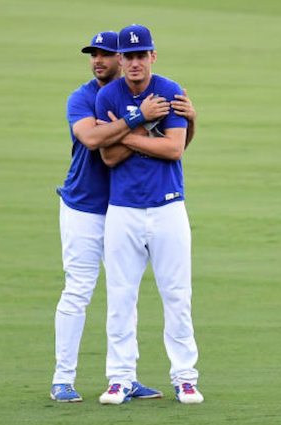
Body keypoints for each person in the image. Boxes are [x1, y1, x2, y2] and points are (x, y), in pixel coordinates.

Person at [51, 31, 198, 403]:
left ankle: (131, 379)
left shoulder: (141, 94)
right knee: (80, 291)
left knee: (142, 294)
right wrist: (138, 118)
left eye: (107, 54)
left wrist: (189, 122)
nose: (99, 60)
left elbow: (173, 147)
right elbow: (94, 142)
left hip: (125, 206)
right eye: (93, 55)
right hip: (86, 205)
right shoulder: (86, 98)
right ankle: (62, 379)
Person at [94, 24, 204, 405]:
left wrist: (122, 131)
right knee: (121, 297)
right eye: (130, 56)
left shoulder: (170, 90)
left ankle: (185, 378)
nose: (136, 62)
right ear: (120, 59)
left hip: (168, 206)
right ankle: (120, 379)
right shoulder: (108, 94)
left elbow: (174, 149)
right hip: (123, 210)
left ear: (152, 57)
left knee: (177, 295)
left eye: (143, 55)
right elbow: (106, 157)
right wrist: (142, 120)